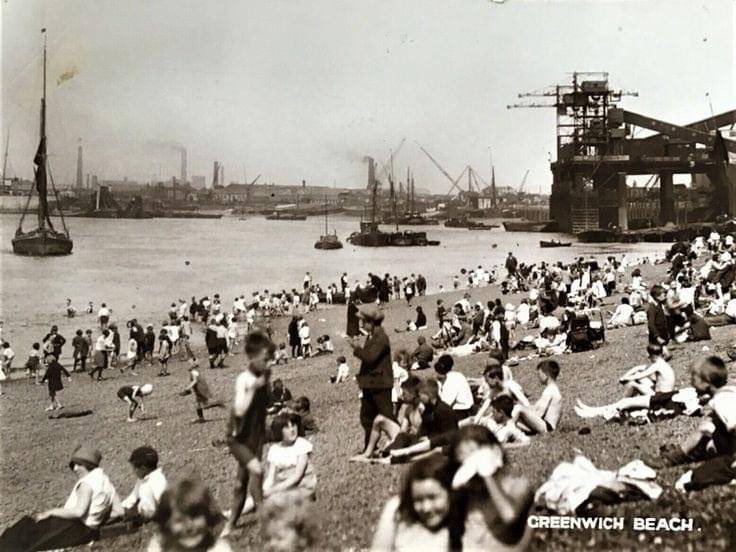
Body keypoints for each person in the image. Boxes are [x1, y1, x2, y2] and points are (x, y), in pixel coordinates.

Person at [0, 446, 122, 551]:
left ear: (89, 465)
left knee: (24, 531)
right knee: (28, 528)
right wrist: (97, 519)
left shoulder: (87, 484)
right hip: (88, 530)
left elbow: (79, 512)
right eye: (74, 465)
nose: (75, 469)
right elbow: (119, 511)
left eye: (79, 465)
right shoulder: (105, 481)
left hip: (74, 527)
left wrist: (51, 512)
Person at [222, 330, 274, 537]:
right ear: (252, 357)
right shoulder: (244, 379)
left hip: (256, 435)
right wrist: (254, 388)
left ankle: (231, 524)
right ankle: (264, 521)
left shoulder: (265, 375)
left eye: (271, 360)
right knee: (257, 471)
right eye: (266, 359)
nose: (269, 364)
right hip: (238, 437)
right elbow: (240, 410)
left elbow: (266, 406)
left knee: (240, 482)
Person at [447, 425, 533, 550]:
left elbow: (509, 515)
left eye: (475, 456)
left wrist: (487, 474)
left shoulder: (518, 485)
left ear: (496, 452)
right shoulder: (467, 498)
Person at [370, 453, 454, 551]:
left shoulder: (467, 521)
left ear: (450, 493)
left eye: (433, 498)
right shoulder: (397, 510)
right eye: (418, 500)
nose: (426, 508)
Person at [346, 304, 395, 451]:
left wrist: (356, 348)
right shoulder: (372, 336)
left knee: (387, 417)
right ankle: (370, 447)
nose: (361, 324)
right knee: (367, 418)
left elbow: (370, 358)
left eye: (363, 321)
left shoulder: (381, 338)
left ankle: (401, 441)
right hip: (371, 383)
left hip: (380, 384)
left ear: (371, 322)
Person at [147, 478, 232, 551]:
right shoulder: (158, 548)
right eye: (179, 520)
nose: (189, 526)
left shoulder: (219, 549)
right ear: (167, 525)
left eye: (195, 517)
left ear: (208, 517)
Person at [263, 412, 317, 501]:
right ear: (279, 431)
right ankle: (233, 513)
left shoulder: (301, 445)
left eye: (293, 425)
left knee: (274, 500)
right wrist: (265, 489)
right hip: (284, 486)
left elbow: (297, 477)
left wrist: (273, 490)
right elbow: (270, 477)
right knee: (257, 497)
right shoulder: (274, 449)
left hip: (302, 487)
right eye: (287, 427)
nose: (292, 430)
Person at [512, 360, 562, 435]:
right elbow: (536, 408)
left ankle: (507, 429)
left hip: (547, 427)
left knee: (518, 408)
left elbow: (539, 413)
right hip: (545, 425)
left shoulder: (550, 391)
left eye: (539, 374)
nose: (538, 377)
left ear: (546, 375)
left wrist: (523, 411)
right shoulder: (553, 389)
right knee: (515, 417)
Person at [121, 446, 168, 522]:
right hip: (137, 513)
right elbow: (133, 497)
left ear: (143, 469)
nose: (133, 471)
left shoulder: (157, 480)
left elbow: (163, 503)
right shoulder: (142, 480)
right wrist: (122, 508)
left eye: (134, 468)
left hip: (148, 516)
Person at [434, 354, 474, 420]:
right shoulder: (457, 375)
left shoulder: (451, 379)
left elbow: (446, 403)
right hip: (462, 408)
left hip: (461, 410)